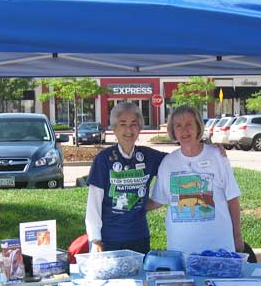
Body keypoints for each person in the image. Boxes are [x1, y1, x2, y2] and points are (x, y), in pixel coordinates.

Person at [149, 105, 244, 254]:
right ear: (173, 131)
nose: (184, 130)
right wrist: (129, 209)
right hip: (181, 249)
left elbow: (232, 198)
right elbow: (157, 200)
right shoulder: (168, 162)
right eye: (178, 126)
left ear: (198, 127)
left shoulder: (217, 156)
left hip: (218, 248)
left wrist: (237, 236)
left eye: (189, 124)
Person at [85, 102, 166, 254]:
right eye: (123, 124)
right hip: (109, 239)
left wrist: (210, 148)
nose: (129, 130)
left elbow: (178, 162)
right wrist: (95, 239)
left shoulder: (149, 156)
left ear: (140, 128)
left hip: (140, 237)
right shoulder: (103, 159)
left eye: (134, 124)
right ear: (114, 128)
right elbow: (93, 204)